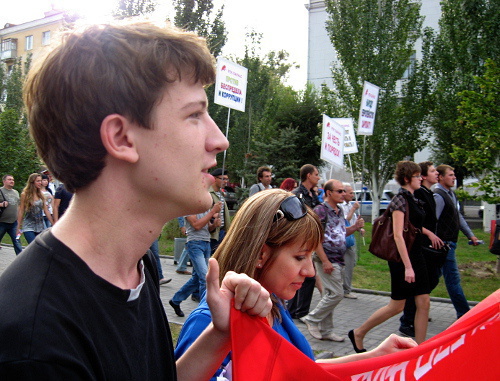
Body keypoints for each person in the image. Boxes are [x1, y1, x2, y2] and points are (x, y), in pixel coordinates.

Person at [0, 23, 272, 379]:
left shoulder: (133, 266)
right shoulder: (36, 342)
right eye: (194, 115)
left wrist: (220, 336)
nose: (220, 140)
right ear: (121, 138)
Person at [175, 189, 417, 379]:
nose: (311, 271)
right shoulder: (209, 324)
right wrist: (219, 335)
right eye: (300, 257)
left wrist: (376, 356)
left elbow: (303, 370)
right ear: (260, 255)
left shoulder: (273, 305)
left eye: (312, 258)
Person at [350, 161, 434, 352]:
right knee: (397, 306)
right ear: (406, 179)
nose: (420, 178)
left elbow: (413, 226)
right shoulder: (400, 200)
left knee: (424, 302)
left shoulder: (414, 198)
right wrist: (408, 266)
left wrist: (429, 233)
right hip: (402, 259)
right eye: (417, 176)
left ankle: (419, 350)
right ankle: (359, 332)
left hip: (416, 255)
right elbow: (398, 235)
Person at [301, 180, 364, 342]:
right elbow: (316, 238)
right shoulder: (321, 210)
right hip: (327, 259)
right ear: (329, 193)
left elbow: (342, 233)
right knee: (337, 294)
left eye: (344, 191)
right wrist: (325, 260)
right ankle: (312, 319)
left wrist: (355, 227)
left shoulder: (339, 211)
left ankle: (326, 331)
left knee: (329, 294)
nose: (344, 194)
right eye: (340, 191)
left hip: (338, 258)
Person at [399, 161, 443, 337]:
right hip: (417, 247)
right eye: (433, 171)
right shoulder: (411, 196)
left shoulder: (426, 194)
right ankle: (408, 320)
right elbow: (407, 226)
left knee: (428, 285)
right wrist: (429, 233)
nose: (437, 174)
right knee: (402, 299)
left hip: (425, 245)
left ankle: (417, 325)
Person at [434, 164, 479, 319]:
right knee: (453, 280)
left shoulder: (451, 194)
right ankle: (465, 315)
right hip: (443, 245)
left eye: (454, 175)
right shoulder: (438, 195)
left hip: (449, 243)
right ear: (440, 177)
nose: (454, 177)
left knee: (430, 280)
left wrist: (470, 235)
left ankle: (412, 311)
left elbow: (457, 217)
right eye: (450, 175)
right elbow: (433, 221)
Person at [170, 203, 222, 317]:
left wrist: (214, 225)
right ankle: (204, 311)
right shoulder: (190, 207)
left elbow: (207, 227)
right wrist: (212, 212)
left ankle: (175, 300)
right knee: (205, 277)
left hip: (206, 242)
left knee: (197, 278)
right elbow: (196, 225)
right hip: (194, 243)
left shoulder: (204, 208)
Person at [287, 164, 321, 319]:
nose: (318, 177)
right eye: (316, 174)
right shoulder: (297, 194)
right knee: (306, 276)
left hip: (311, 239)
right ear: (308, 176)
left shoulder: (313, 194)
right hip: (300, 240)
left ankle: (294, 310)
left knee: (304, 276)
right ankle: (298, 311)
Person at [340, 183, 365, 299]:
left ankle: (344, 286)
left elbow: (353, 220)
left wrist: (360, 228)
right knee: (346, 264)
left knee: (351, 262)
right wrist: (353, 209)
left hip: (350, 238)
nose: (352, 195)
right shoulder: (341, 206)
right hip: (342, 238)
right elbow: (345, 220)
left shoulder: (350, 204)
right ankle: (345, 289)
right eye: (351, 193)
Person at [16, 173, 54, 244]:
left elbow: (46, 210)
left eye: (41, 181)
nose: (40, 183)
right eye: (38, 181)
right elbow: (21, 210)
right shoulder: (25, 194)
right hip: (29, 225)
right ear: (32, 182)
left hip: (40, 225)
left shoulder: (41, 194)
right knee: (33, 245)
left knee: (41, 247)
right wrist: (18, 226)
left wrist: (53, 223)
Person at [209, 168, 231, 254]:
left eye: (227, 179)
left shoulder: (220, 193)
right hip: (212, 233)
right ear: (214, 179)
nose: (226, 181)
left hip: (221, 232)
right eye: (223, 179)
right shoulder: (209, 193)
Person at [0, 174, 23, 255]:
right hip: (2, 222)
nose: (12, 181)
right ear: (4, 181)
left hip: (13, 223)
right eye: (9, 179)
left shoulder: (16, 192)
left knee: (17, 242)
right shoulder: (1, 191)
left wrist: (19, 220)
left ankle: (21, 261)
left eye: (13, 180)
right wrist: (1, 204)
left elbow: (19, 206)